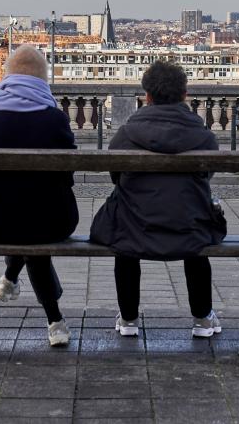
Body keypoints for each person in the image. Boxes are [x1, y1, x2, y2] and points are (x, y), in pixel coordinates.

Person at [90, 59, 225, 338]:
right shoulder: (203, 136)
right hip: (189, 227)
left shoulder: (127, 134)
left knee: (123, 236)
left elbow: (116, 176)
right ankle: (202, 318)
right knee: (197, 235)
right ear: (184, 96)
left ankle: (128, 319)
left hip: (136, 227)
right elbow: (207, 176)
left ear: (147, 97)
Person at [0, 45, 77, 348]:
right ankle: (53, 320)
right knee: (33, 229)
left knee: (18, 216)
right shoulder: (54, 119)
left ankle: (11, 280)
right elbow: (68, 175)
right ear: (43, 79)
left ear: (7, 76)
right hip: (54, 221)